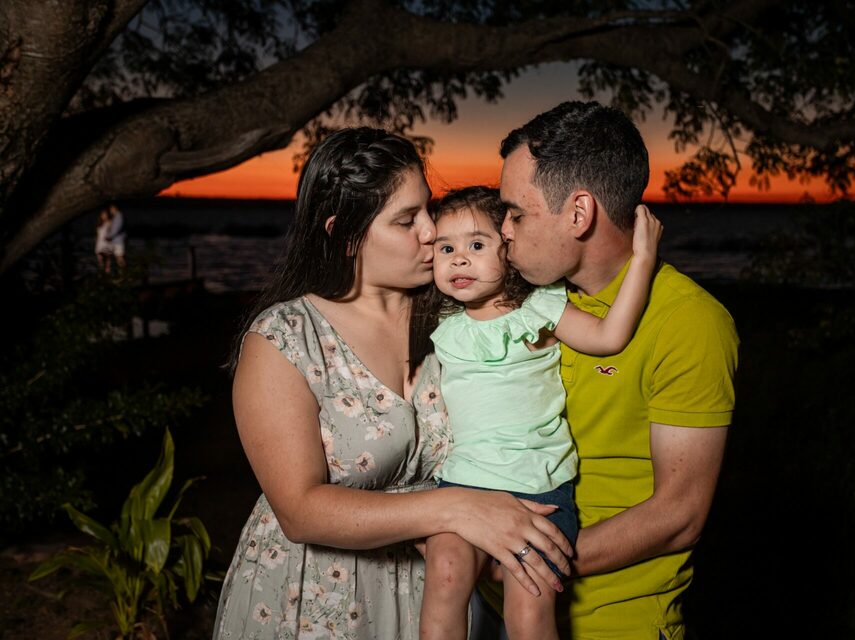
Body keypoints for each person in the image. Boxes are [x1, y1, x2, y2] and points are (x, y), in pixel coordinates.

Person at [214, 127, 573, 640]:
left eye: (428, 210)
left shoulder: (460, 316)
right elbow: (300, 511)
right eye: (407, 220)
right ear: (345, 235)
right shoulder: (286, 338)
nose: (431, 230)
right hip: (317, 600)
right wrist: (460, 507)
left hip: (437, 592)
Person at [493, 101, 740, 640]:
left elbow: (680, 514)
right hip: (494, 613)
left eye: (516, 213)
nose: (503, 230)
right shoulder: (533, 301)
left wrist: (523, 560)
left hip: (610, 621)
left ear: (578, 214)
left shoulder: (687, 321)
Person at [417, 187, 662, 640]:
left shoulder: (538, 307)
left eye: (477, 244)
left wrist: (643, 261)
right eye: (445, 249)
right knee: (445, 575)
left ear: (509, 249)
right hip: (463, 488)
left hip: (538, 488)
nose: (459, 259)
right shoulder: (443, 323)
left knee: (528, 611)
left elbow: (608, 337)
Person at [107, 204, 126, 271]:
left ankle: (124, 272)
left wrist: (109, 236)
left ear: (115, 208)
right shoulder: (116, 217)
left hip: (118, 241)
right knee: (118, 257)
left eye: (111, 209)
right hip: (116, 240)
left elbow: (115, 229)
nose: (110, 211)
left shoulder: (118, 216)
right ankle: (122, 272)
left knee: (119, 257)